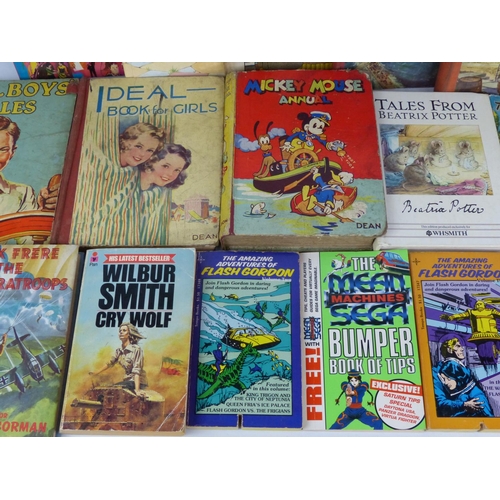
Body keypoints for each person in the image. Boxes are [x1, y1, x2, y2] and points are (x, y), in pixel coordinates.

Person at [0, 116, 59, 242]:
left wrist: (44, 212)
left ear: (12, 152)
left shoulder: (22, 193)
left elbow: (31, 244)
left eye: (3, 150)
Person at [433, 337, 493, 417]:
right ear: (449, 350)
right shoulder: (444, 369)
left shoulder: (464, 370)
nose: (462, 349)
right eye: (458, 346)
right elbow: (441, 402)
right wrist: (464, 405)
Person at [89, 322, 148, 396]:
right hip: (127, 382)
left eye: (124, 330)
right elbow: (110, 363)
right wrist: (96, 373)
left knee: (114, 390)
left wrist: (137, 390)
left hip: (138, 382)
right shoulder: (119, 351)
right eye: (120, 331)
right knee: (107, 388)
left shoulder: (136, 349)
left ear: (129, 334)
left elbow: (137, 371)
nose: (121, 332)